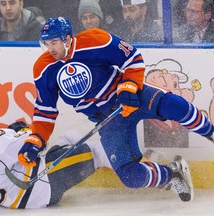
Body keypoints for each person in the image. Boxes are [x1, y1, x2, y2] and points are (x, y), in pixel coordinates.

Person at [18, 16, 214, 203]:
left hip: (131, 97)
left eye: (54, 43)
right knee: (130, 176)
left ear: (67, 39)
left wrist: (129, 84)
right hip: (108, 119)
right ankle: (172, 174)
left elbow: (132, 57)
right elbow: (45, 109)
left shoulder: (95, 40)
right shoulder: (43, 68)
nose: (50, 49)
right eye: (46, 43)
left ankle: (210, 131)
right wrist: (36, 138)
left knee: (176, 106)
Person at [0, 115, 112, 208]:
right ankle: (136, 171)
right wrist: (23, 129)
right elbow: (40, 143)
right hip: (45, 183)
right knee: (96, 153)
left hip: (20, 200)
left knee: (68, 137)